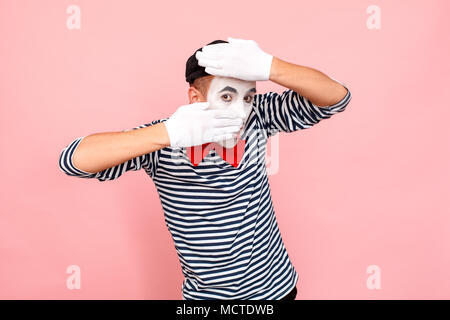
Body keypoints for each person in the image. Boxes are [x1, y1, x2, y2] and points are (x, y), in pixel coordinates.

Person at [59, 37, 352, 300]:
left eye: (247, 96)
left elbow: (336, 98)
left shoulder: (258, 117)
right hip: (207, 299)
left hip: (276, 289)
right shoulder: (162, 140)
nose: (240, 110)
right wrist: (168, 134)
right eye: (226, 96)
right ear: (195, 99)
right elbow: (73, 161)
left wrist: (270, 66)